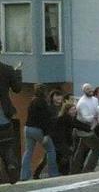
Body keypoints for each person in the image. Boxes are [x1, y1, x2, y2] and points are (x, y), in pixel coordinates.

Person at [20, 84, 59, 180]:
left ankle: (24, 175)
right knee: (50, 149)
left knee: (28, 151)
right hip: (38, 130)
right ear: (45, 92)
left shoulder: (32, 101)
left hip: (28, 128)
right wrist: (46, 134)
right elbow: (44, 120)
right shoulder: (43, 103)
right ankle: (53, 173)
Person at [0, 43, 21, 184]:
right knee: (7, 146)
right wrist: (17, 72)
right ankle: (11, 165)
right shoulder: (7, 69)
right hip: (3, 115)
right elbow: (17, 89)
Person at [52, 101, 92, 175]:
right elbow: (78, 125)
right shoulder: (66, 118)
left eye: (74, 109)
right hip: (60, 141)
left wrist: (89, 128)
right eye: (72, 110)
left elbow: (78, 124)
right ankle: (63, 172)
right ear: (67, 111)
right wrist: (90, 128)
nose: (74, 111)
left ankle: (63, 172)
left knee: (63, 156)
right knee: (65, 155)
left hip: (61, 141)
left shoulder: (68, 118)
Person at [71, 83, 99, 174]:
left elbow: (98, 110)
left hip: (91, 128)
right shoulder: (82, 102)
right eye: (87, 89)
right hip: (85, 130)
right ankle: (88, 169)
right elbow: (86, 118)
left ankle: (74, 171)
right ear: (83, 91)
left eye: (90, 88)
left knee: (82, 150)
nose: (90, 90)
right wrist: (95, 117)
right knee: (97, 148)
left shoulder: (95, 99)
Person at [33, 89, 64, 178]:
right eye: (56, 96)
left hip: (60, 134)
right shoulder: (49, 108)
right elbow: (47, 120)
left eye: (60, 95)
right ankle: (39, 173)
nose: (58, 97)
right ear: (52, 97)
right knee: (50, 153)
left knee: (53, 153)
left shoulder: (63, 107)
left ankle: (56, 171)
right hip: (51, 133)